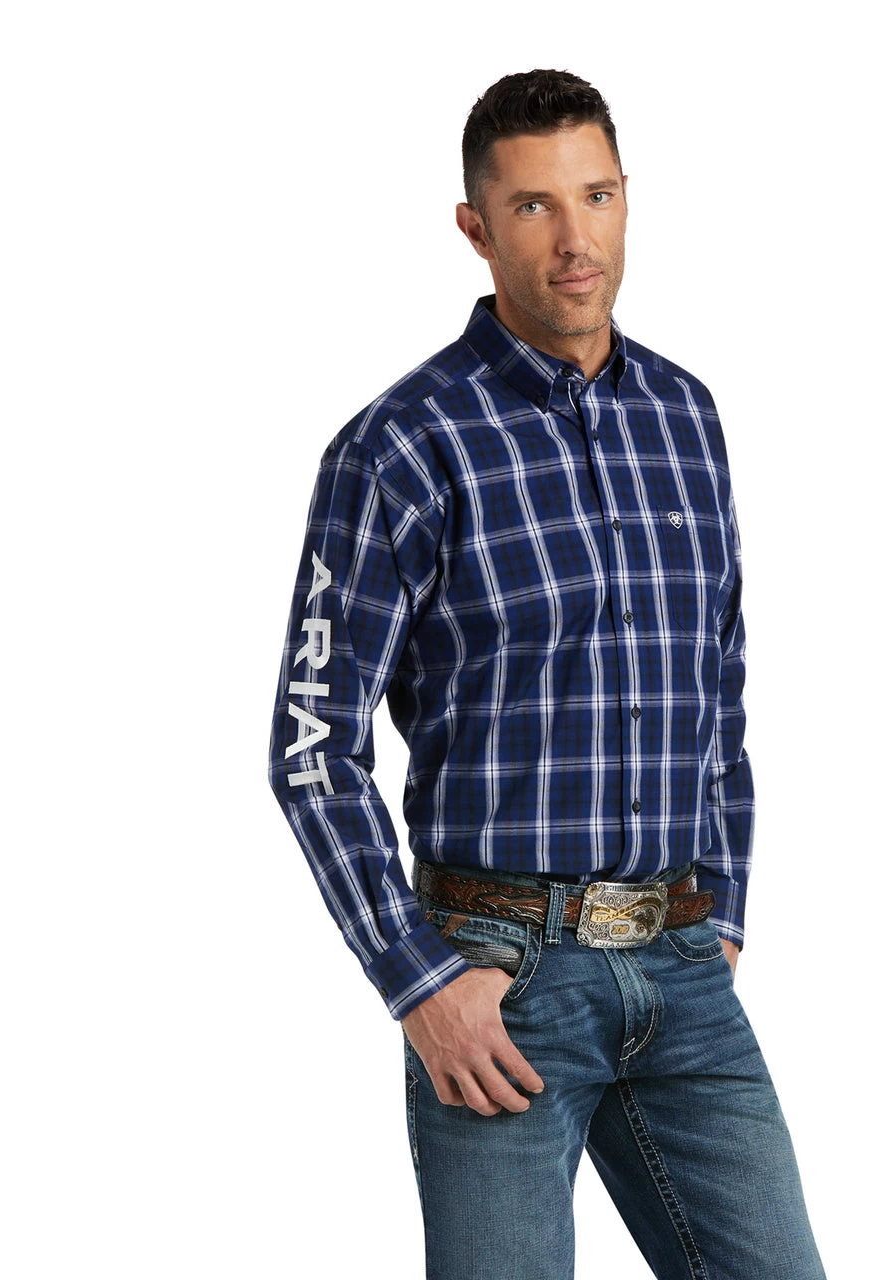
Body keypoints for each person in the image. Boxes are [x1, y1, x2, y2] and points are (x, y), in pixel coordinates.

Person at [268, 68, 828, 1280]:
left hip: (681, 968)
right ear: (475, 228)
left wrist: (722, 909)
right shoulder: (401, 445)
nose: (575, 239)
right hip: (497, 981)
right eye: (532, 206)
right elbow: (312, 747)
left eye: (596, 196)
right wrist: (418, 979)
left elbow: (717, 690)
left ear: (626, 197)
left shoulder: (685, 416)